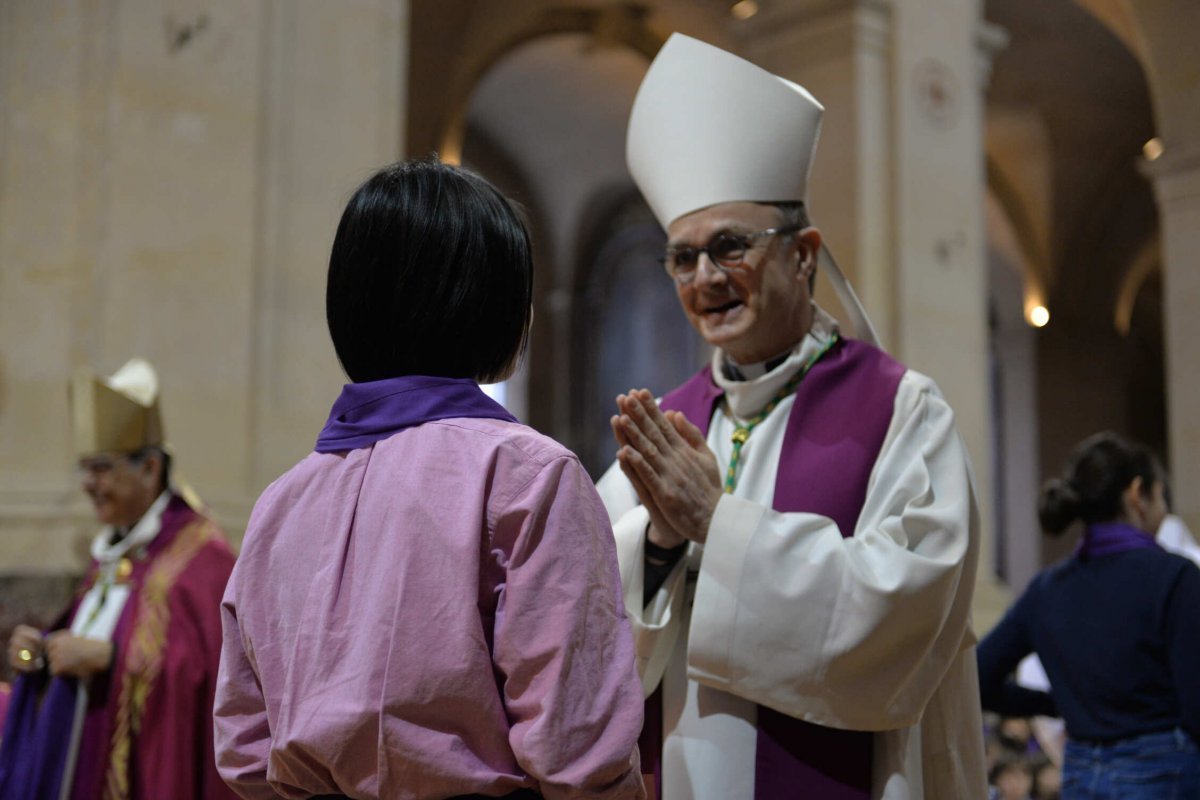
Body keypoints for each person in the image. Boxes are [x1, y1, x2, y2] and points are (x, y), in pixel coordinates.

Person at [595, 33, 986, 799]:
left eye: (730, 246)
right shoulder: (665, 427)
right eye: (682, 257)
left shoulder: (902, 409)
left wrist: (718, 521)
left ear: (804, 254)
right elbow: (591, 631)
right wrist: (661, 542)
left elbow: (911, 611)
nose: (705, 279)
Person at [213, 159, 645, 800]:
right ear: (500, 312)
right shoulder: (527, 474)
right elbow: (575, 749)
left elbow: (245, 750)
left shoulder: (281, 502)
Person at [0, 358, 238, 800]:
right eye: (85, 468)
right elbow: (85, 638)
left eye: (102, 469)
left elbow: (213, 677)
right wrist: (42, 652)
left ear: (149, 469)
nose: (89, 484)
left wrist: (111, 658)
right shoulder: (115, 551)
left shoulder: (202, 557)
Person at [976, 432, 1200, 798]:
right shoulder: (1174, 576)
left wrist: (1054, 704)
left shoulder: (1047, 588)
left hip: (1081, 774)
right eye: (1161, 495)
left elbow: (978, 676)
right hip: (1165, 772)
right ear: (1137, 493)